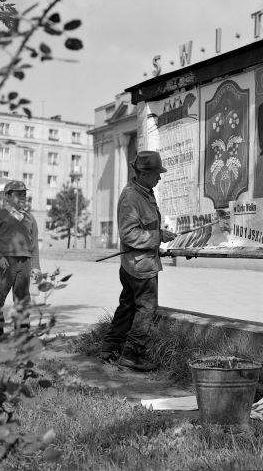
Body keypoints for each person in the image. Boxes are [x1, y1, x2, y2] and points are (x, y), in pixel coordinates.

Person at [101, 151, 177, 371]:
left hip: (135, 264)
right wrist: (157, 237)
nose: (159, 178)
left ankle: (110, 348)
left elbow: (141, 227)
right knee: (146, 308)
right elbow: (129, 234)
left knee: (128, 306)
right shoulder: (131, 197)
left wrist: (158, 232)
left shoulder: (143, 192)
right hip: (140, 267)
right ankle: (132, 355)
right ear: (143, 173)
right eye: (156, 174)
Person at [0, 180, 42, 341]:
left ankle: (22, 336)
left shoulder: (30, 218)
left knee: (23, 300)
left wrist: (36, 266)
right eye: (18, 194)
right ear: (7, 196)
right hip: (4, 263)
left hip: (24, 264)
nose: (23, 196)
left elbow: (34, 245)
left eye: (24, 193)